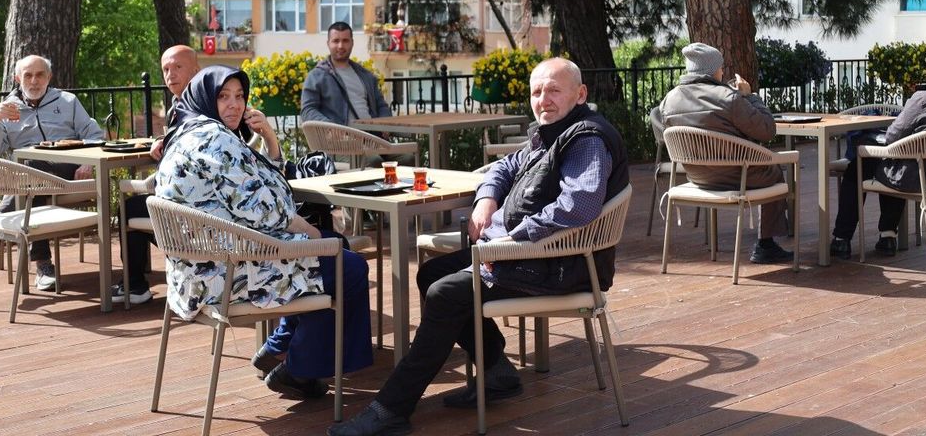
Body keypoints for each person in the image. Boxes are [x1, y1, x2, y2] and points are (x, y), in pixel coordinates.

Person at [329, 58, 628, 436]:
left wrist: (512, 239)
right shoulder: (551, 133)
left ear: (580, 94)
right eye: (537, 92)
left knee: (445, 293)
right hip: (532, 256)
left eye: (553, 90)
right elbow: (504, 168)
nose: (543, 99)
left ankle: (391, 408)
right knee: (432, 272)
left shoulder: (584, 139)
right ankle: (496, 370)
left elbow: (578, 205)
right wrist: (486, 199)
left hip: (558, 265)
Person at [154, 65, 373, 398]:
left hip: (195, 274)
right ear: (205, 98)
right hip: (229, 274)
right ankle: (299, 370)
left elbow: (260, 185)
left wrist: (268, 138)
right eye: (223, 96)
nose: (234, 105)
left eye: (240, 96)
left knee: (330, 256)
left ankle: (279, 348)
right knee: (348, 267)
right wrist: (316, 236)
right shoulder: (216, 141)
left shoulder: (189, 133)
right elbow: (271, 212)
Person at [828, 39, 926, 259]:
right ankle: (887, 236)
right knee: (896, 163)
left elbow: (894, 136)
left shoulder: (924, 99)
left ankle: (841, 239)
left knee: (866, 163)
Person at [654, 42, 795, 265]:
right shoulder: (728, 98)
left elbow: (663, 136)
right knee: (775, 169)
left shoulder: (669, 100)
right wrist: (750, 96)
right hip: (737, 177)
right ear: (713, 70)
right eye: (721, 67)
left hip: (698, 177)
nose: (722, 72)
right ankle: (766, 244)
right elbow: (767, 130)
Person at [0, 54, 105, 291]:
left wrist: (88, 163)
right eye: (28, 75)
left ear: (49, 77)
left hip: (68, 172)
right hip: (29, 179)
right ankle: (44, 265)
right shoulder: (6, 109)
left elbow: (94, 134)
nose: (34, 81)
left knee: (30, 171)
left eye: (39, 75)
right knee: (31, 173)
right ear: (17, 78)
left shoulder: (68, 102)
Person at [114, 44, 202, 305]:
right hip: (187, 201)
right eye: (165, 69)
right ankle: (136, 283)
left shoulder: (199, 105)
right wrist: (165, 138)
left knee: (129, 206)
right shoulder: (180, 103)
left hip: (192, 207)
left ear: (196, 71)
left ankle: (136, 285)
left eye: (177, 67)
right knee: (135, 205)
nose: (170, 74)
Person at [301, 21, 392, 126]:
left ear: (352, 43)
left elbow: (382, 106)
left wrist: (384, 124)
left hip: (373, 136)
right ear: (328, 44)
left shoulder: (366, 75)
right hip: (339, 139)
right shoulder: (316, 76)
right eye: (336, 41)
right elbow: (307, 110)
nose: (340, 46)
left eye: (345, 41)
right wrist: (329, 127)